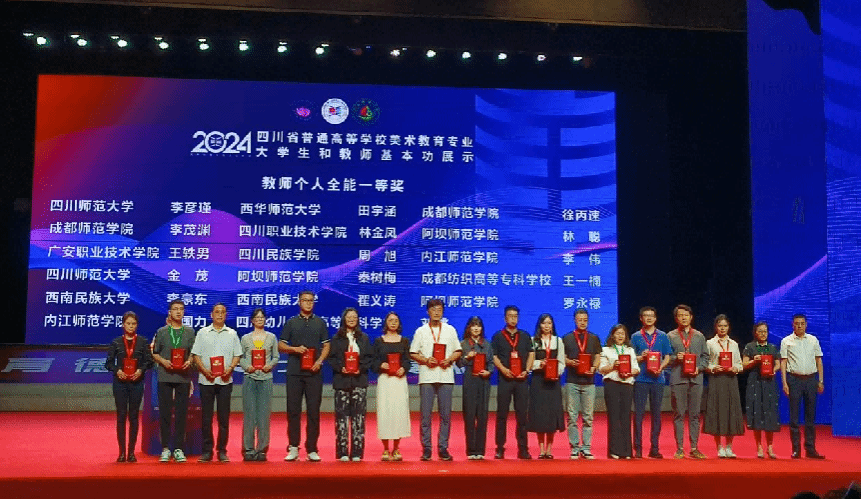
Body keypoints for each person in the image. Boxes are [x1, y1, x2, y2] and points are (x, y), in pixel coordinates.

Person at [279, 290, 331, 462]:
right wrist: (294, 349)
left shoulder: (320, 323)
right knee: (293, 410)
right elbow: (280, 345)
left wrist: (320, 361)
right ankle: (293, 447)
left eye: (311, 300)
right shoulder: (291, 322)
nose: (308, 303)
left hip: (314, 373)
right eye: (305, 300)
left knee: (313, 411)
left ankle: (312, 448)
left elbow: (326, 345)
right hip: (294, 373)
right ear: (299, 302)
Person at [410, 299, 462, 461]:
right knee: (426, 415)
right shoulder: (421, 331)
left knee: (445, 415)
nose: (437, 312)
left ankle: (443, 448)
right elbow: (413, 352)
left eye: (439, 309)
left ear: (443, 312)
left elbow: (458, 350)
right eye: (433, 309)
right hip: (427, 376)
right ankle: (426, 448)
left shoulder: (450, 330)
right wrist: (425, 360)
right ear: (428, 312)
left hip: (446, 376)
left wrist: (450, 359)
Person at [191, 303, 242, 462]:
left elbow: (237, 355)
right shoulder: (202, 333)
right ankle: (207, 451)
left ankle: (222, 450)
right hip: (206, 380)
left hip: (225, 381)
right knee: (206, 418)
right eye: (217, 312)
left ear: (226, 315)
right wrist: (205, 371)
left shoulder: (232, 333)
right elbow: (196, 355)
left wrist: (231, 368)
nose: (220, 314)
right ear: (211, 315)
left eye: (223, 312)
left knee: (223, 418)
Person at [151, 299, 196, 463]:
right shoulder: (162, 331)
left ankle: (178, 448)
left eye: (181, 309)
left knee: (181, 414)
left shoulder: (190, 332)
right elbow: (155, 353)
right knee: (164, 413)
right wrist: (163, 362)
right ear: (169, 312)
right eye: (175, 309)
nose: (178, 312)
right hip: (165, 376)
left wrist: (189, 361)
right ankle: (165, 448)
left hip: (183, 377)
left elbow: (194, 353)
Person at [105, 311, 153, 463]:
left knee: (133, 416)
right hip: (120, 383)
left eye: (133, 324)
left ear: (136, 325)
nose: (131, 326)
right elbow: (108, 363)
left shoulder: (143, 342)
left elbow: (149, 361)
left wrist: (140, 370)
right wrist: (117, 370)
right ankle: (121, 453)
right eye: (128, 323)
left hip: (136, 383)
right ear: (123, 325)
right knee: (121, 416)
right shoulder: (116, 342)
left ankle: (131, 453)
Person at [328, 307, 374, 461]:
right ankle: (342, 452)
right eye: (349, 317)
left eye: (354, 317)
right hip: (341, 381)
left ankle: (357, 452)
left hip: (359, 381)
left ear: (358, 319)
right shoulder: (336, 338)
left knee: (358, 418)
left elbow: (369, 358)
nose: (352, 319)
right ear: (344, 319)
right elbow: (331, 358)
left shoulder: (364, 338)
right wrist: (340, 367)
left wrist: (360, 368)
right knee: (341, 418)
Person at [491, 305, 535, 460]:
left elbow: (531, 354)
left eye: (515, 316)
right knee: (502, 414)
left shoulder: (524, 335)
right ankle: (500, 448)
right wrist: (503, 369)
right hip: (505, 379)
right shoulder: (498, 336)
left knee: (522, 415)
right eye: (510, 316)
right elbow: (494, 356)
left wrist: (527, 370)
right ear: (505, 318)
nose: (513, 319)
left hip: (521, 379)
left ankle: (523, 448)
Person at [666, 304, 710, 459]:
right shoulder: (670, 336)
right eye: (680, 315)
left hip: (696, 379)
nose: (683, 318)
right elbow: (665, 357)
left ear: (691, 317)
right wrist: (674, 358)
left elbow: (705, 357)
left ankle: (694, 447)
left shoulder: (699, 336)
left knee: (695, 414)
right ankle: (679, 448)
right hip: (678, 379)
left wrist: (700, 367)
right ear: (676, 318)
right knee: (679, 414)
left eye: (686, 315)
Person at [780, 314, 826, 459]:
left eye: (802, 323)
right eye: (797, 323)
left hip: (811, 380)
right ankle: (796, 449)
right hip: (794, 380)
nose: (799, 326)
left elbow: (819, 361)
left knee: (810, 417)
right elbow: (783, 363)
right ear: (792, 325)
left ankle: (810, 449)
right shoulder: (786, 341)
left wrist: (821, 381)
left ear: (806, 324)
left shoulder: (813, 340)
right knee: (794, 417)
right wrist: (784, 383)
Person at [630, 306, 672, 459]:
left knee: (656, 415)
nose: (648, 318)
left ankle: (655, 448)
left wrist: (661, 367)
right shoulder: (635, 336)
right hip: (640, 379)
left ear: (655, 318)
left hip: (657, 379)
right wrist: (641, 357)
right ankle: (638, 448)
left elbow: (668, 356)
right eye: (645, 315)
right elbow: (630, 357)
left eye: (651, 316)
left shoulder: (662, 336)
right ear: (641, 318)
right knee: (638, 414)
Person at [238, 308, 280, 461]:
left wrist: (270, 365)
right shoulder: (245, 338)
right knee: (249, 415)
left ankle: (262, 450)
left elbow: (276, 357)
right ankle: (248, 449)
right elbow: (240, 357)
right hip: (249, 377)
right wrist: (246, 366)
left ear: (265, 320)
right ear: (252, 321)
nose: (260, 320)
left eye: (262, 317)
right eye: (257, 318)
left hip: (266, 378)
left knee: (263, 415)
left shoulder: (271, 337)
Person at [561, 308, 602, 460]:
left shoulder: (594, 338)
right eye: (580, 320)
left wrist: (594, 367)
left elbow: (597, 356)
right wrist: (570, 362)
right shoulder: (567, 338)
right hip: (572, 381)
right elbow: (561, 357)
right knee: (572, 416)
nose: (583, 322)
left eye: (585, 320)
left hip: (589, 382)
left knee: (588, 417)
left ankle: (586, 448)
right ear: (575, 320)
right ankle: (574, 447)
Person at [703, 314, 744, 458]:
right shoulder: (710, 343)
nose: (722, 328)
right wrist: (713, 368)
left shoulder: (734, 344)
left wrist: (736, 368)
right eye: (720, 326)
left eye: (725, 326)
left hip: (731, 379)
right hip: (716, 379)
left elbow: (739, 363)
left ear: (728, 327)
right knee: (717, 411)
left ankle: (729, 447)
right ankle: (719, 447)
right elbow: (705, 363)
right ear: (716, 327)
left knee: (731, 412)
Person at [372, 311, 411, 461]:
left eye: (396, 320)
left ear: (399, 323)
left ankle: (396, 448)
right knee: (385, 412)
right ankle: (385, 448)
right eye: (390, 320)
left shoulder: (404, 341)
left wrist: (404, 368)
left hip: (399, 380)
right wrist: (381, 365)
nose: (393, 323)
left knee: (398, 412)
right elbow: (373, 361)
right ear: (386, 323)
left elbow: (407, 360)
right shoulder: (379, 341)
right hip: (385, 380)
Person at [599, 324, 640, 459]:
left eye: (622, 333)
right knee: (614, 417)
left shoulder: (630, 350)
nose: (620, 336)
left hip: (627, 384)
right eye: (617, 333)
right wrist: (613, 366)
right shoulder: (606, 350)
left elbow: (636, 369)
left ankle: (627, 451)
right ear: (612, 335)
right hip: (612, 384)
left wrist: (630, 372)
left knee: (626, 417)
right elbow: (601, 369)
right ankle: (614, 451)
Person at [528, 313, 566, 459]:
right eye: (544, 323)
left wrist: (556, 370)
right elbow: (529, 363)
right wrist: (540, 364)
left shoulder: (558, 341)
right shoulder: (534, 341)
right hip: (538, 381)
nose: (546, 326)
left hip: (553, 382)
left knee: (551, 415)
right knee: (540, 415)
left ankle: (549, 449)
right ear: (540, 325)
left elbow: (562, 362)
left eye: (549, 323)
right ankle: (541, 449)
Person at [457, 316, 493, 460]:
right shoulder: (464, 344)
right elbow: (459, 363)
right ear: (469, 328)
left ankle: (480, 450)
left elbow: (491, 363)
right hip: (470, 380)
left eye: (478, 326)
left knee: (482, 415)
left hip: (484, 381)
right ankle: (471, 450)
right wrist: (467, 357)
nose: (476, 328)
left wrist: (489, 371)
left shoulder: (487, 344)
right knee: (470, 415)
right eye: (473, 326)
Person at [742, 321, 780, 459]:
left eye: (765, 331)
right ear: (755, 333)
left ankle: (770, 446)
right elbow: (744, 364)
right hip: (755, 383)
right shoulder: (750, 347)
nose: (763, 334)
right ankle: (759, 446)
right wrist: (754, 361)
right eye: (760, 331)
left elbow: (778, 364)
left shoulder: (773, 347)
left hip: (769, 383)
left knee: (770, 414)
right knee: (757, 413)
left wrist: (774, 370)